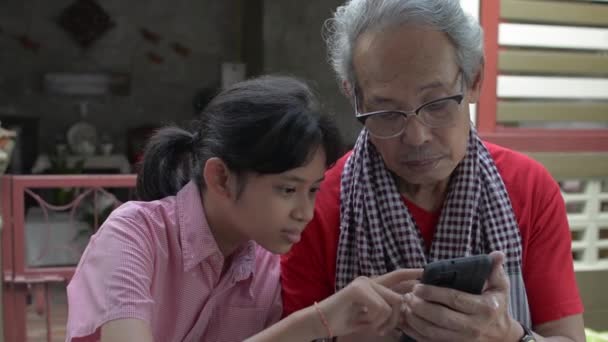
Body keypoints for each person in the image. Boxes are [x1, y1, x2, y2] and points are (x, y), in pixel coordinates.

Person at [280, 1, 586, 341]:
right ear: (355, 98)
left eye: (437, 104)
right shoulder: (316, 205)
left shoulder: (528, 189)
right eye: (386, 112)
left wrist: (509, 336)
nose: (416, 137)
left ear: (474, 80)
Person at [65, 75, 420, 342]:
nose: (306, 212)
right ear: (220, 178)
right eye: (287, 189)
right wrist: (317, 320)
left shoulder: (265, 266)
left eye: (312, 190)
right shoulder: (132, 237)